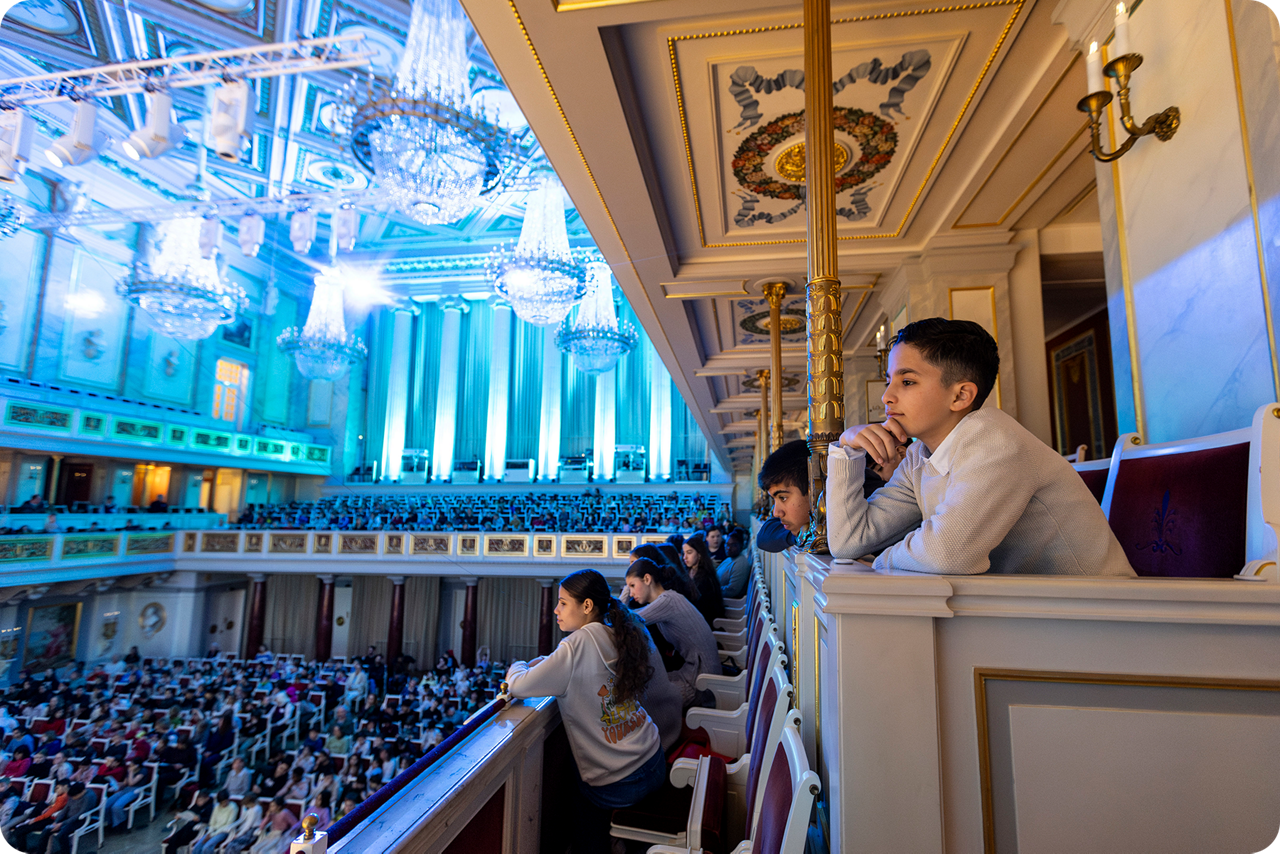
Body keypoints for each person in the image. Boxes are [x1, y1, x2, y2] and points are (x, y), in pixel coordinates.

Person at [827, 318, 1135, 576]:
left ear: (961, 396)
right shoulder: (921, 456)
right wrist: (846, 449)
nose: (887, 397)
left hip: (1104, 616)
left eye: (907, 382)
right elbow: (849, 541)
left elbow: (947, 554)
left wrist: (877, 563)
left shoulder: (995, 442)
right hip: (1027, 613)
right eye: (888, 381)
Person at [505, 570, 672, 854]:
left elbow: (519, 685)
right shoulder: (614, 631)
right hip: (653, 759)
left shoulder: (575, 644)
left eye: (563, 603)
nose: (556, 610)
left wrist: (518, 664)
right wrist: (549, 661)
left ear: (586, 606)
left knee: (580, 790)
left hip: (624, 780)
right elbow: (576, 665)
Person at [623, 557, 721, 709]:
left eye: (632, 586)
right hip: (696, 674)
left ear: (647, 579)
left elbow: (628, 619)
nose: (630, 593)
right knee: (644, 686)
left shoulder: (668, 601)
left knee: (637, 700)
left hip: (701, 684)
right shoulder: (668, 599)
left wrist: (616, 603)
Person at [681, 532, 724, 626]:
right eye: (684, 553)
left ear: (699, 554)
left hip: (704, 622)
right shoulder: (687, 572)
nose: (685, 557)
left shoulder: (706, 578)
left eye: (689, 552)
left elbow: (703, 608)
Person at [189, 789, 238, 854]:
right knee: (197, 847)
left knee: (206, 847)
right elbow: (212, 822)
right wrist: (210, 832)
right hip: (213, 830)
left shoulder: (233, 807)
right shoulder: (217, 807)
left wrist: (212, 835)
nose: (225, 803)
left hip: (224, 831)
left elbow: (228, 824)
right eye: (223, 802)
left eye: (226, 801)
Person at [717, 529, 752, 599]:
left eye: (733, 545)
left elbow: (732, 591)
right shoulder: (730, 558)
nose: (728, 548)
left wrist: (710, 590)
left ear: (741, 546)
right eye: (727, 544)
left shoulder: (741, 563)